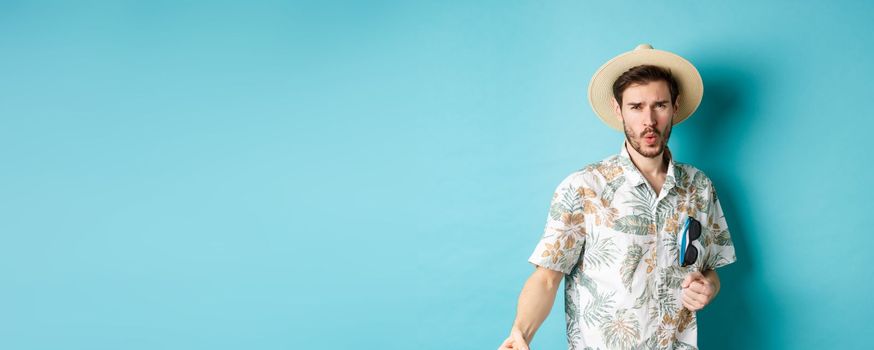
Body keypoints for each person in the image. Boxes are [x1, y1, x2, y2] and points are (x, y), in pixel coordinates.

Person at [498, 44, 737, 350]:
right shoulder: (583, 187)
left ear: (675, 107)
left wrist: (709, 288)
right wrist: (521, 333)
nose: (648, 120)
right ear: (618, 109)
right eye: (636, 107)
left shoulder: (699, 186)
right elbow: (547, 278)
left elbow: (709, 269)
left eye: (659, 105)